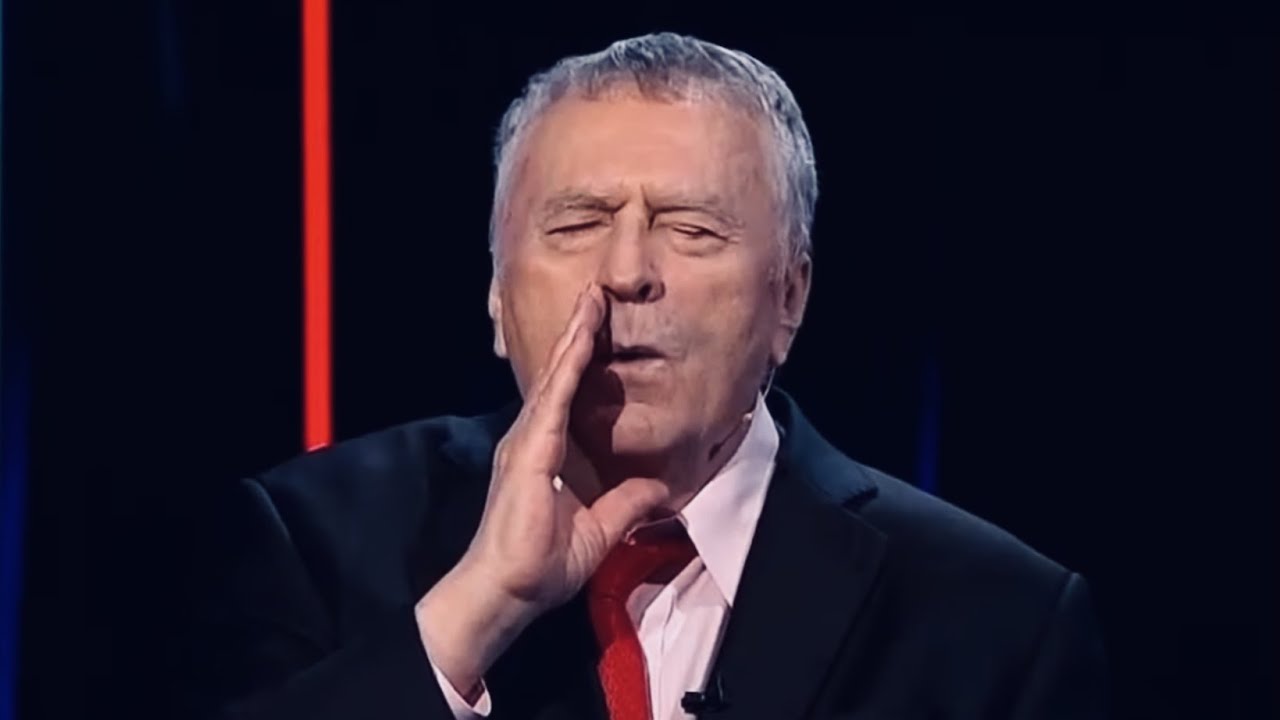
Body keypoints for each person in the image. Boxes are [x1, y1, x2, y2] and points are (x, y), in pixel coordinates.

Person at [189, 32, 1108, 720]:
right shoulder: (312, 545)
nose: (627, 271)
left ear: (790, 296)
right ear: (498, 297)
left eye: (692, 228)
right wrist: (475, 614)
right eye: (577, 223)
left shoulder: (996, 621)